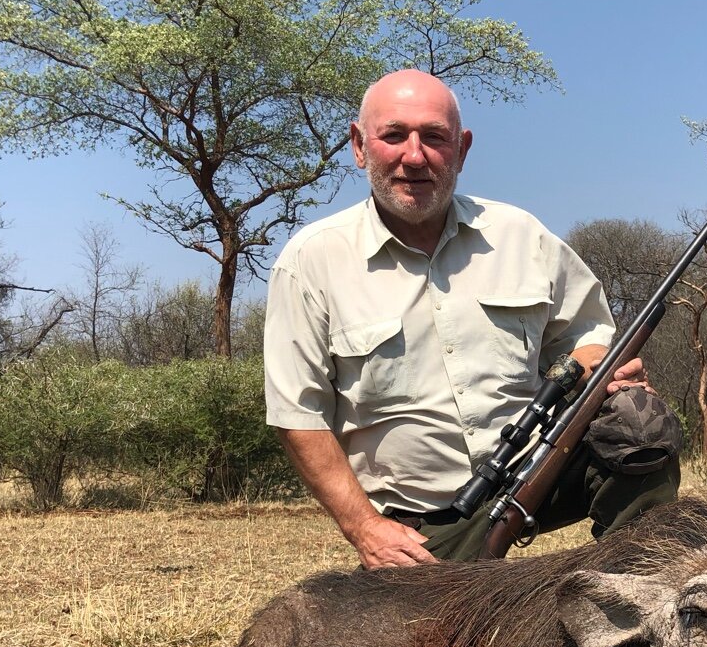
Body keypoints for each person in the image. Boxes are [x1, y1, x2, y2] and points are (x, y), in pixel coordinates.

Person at [264, 69, 680, 568]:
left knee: (638, 420)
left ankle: (635, 590)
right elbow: (298, 416)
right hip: (419, 524)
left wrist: (598, 366)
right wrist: (366, 528)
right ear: (359, 145)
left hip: (536, 473)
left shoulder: (522, 235)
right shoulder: (310, 261)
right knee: (428, 644)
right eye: (394, 135)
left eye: (434, 138)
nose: (413, 156)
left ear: (461, 150)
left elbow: (588, 336)